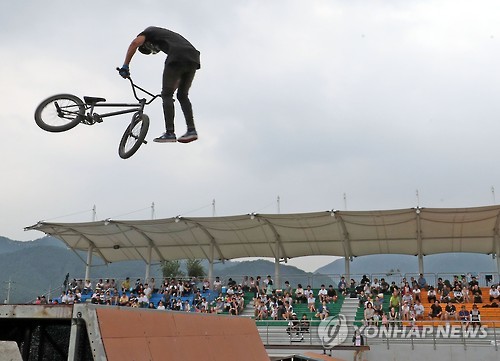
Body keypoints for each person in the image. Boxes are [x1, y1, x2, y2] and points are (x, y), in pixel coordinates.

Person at [119, 26, 200, 143]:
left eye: (150, 49)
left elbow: (134, 43)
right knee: (182, 95)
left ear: (146, 43)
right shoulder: (166, 35)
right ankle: (191, 130)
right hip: (193, 57)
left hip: (178, 56)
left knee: (166, 95)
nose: (154, 49)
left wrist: (125, 65)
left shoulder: (148, 32)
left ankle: (170, 133)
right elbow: (178, 76)